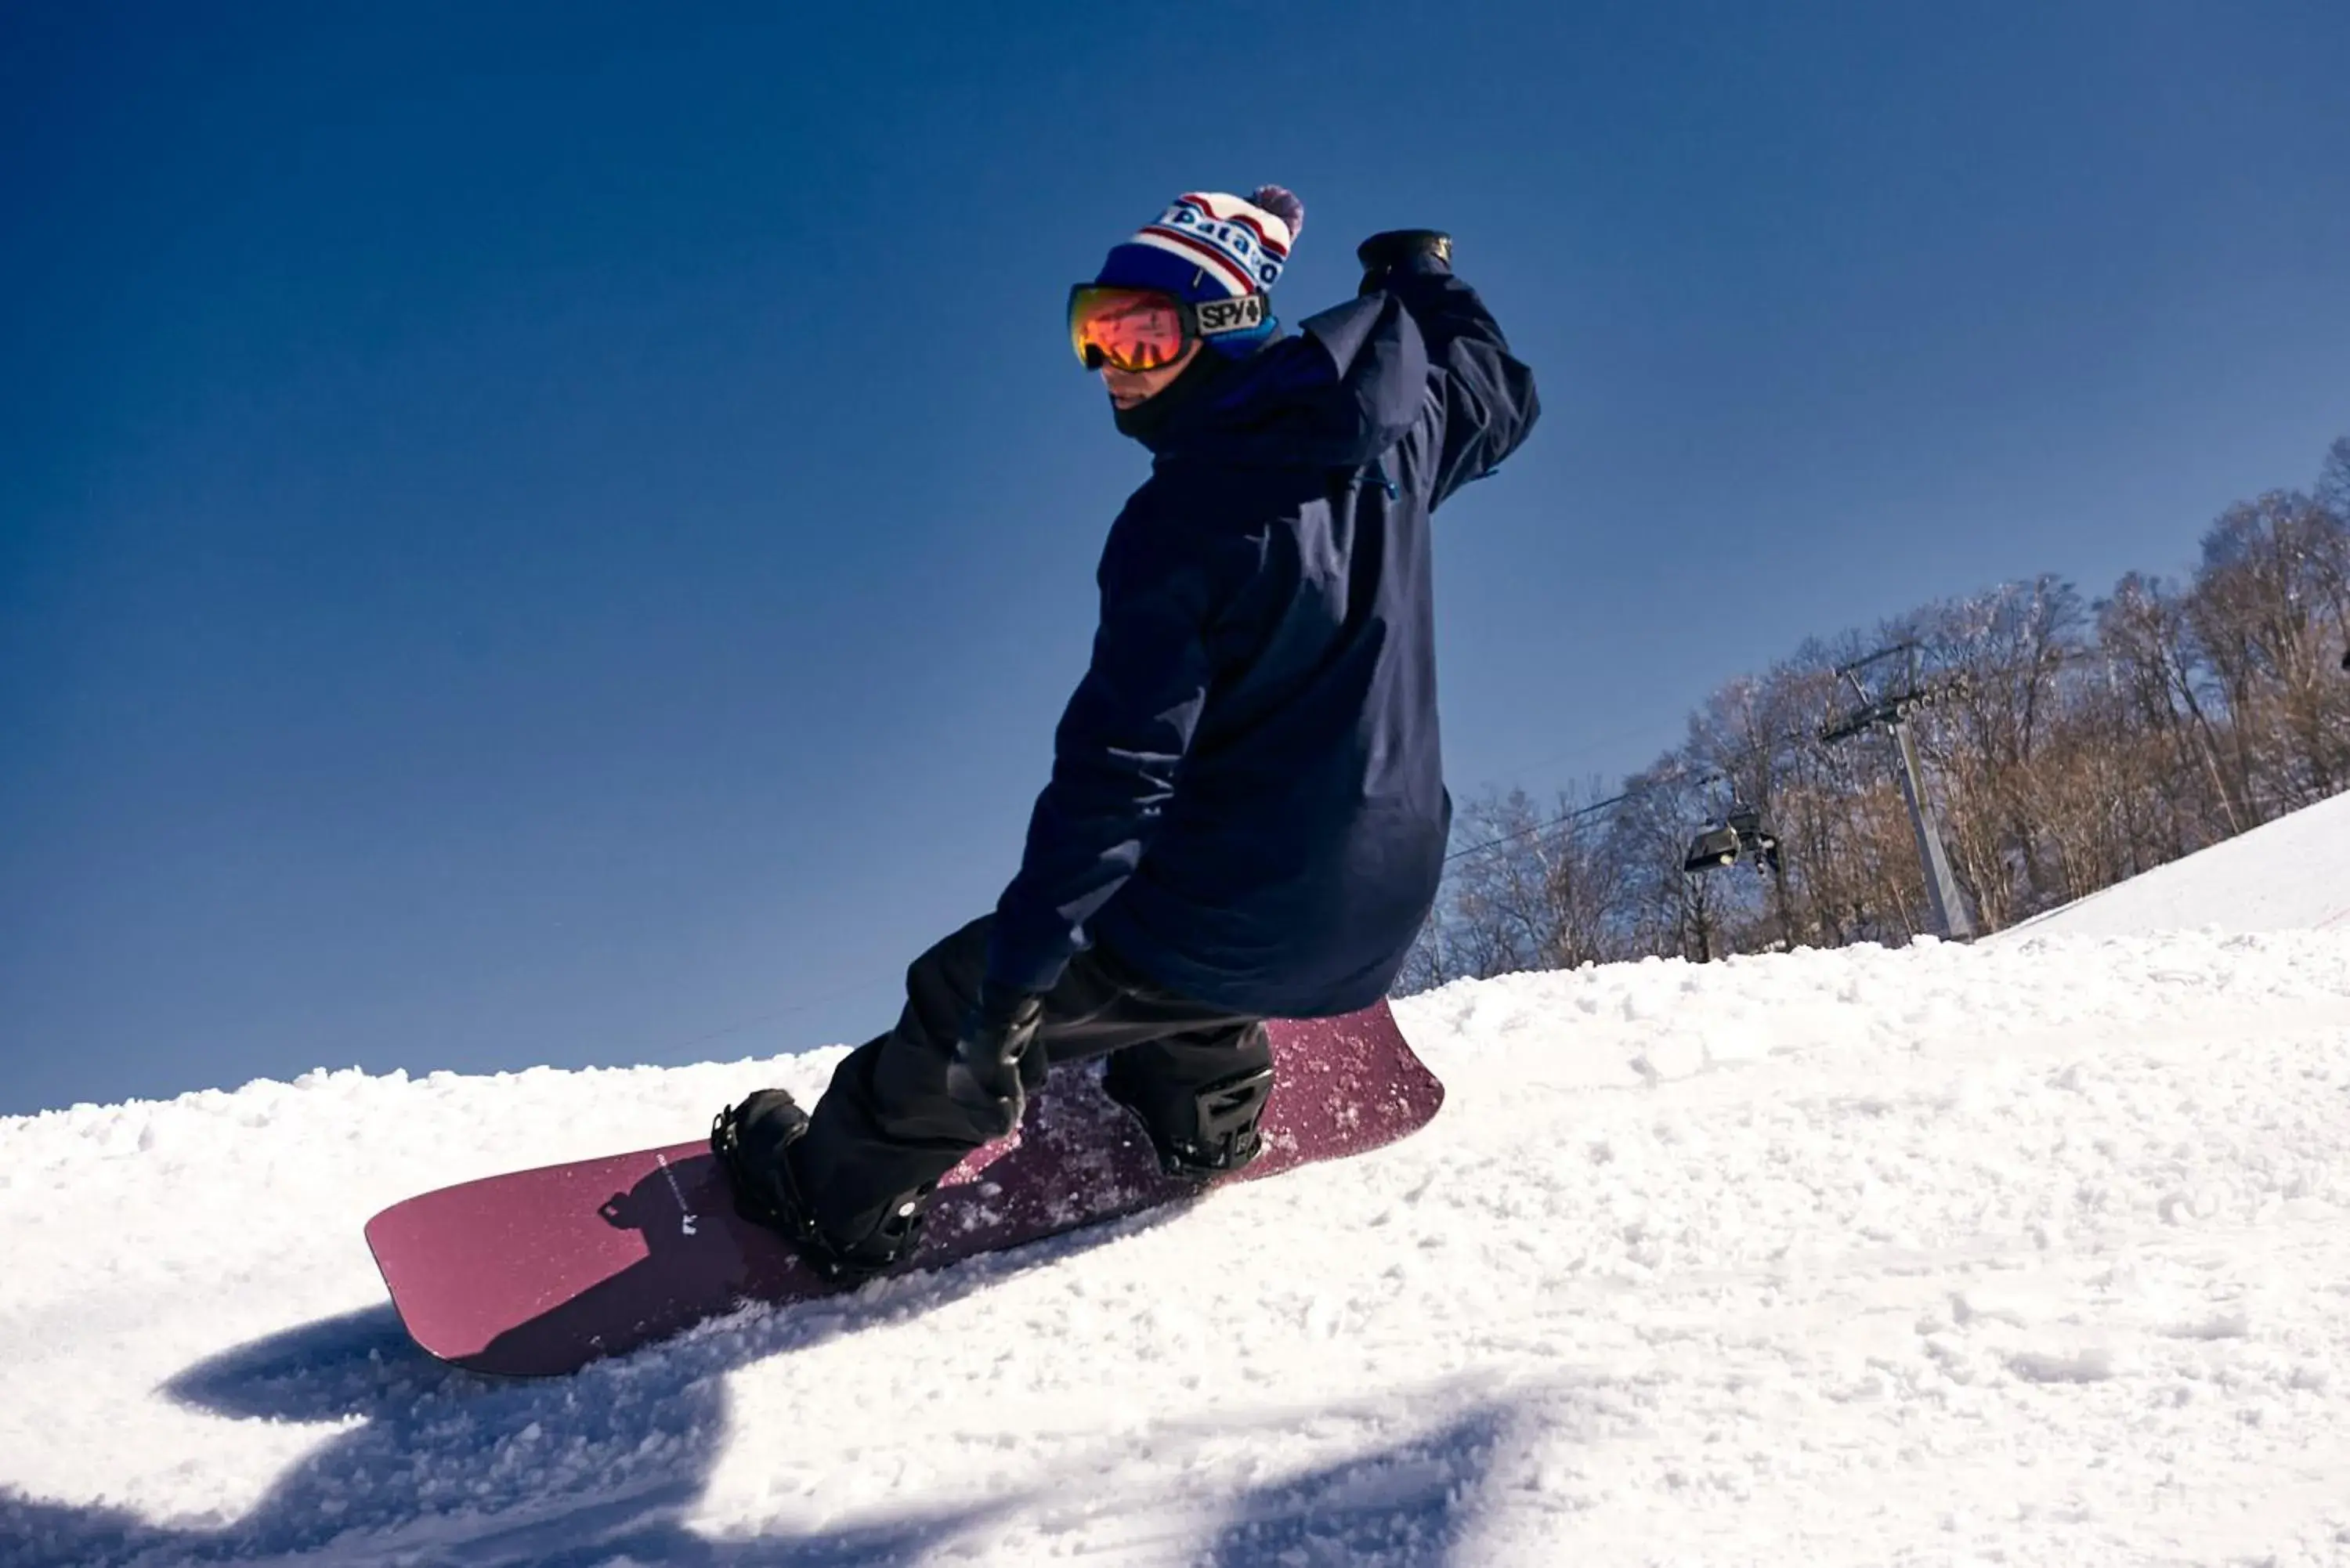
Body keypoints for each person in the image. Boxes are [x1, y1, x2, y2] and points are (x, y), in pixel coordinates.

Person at [713, 186, 1539, 1282]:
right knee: (1180, 930)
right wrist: (1418, 276)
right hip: (1383, 904)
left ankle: (835, 1196)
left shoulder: (1183, 520)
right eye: (1093, 333)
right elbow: (1500, 392)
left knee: (979, 987)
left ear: (1227, 326)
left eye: (1143, 333)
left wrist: (1007, 996)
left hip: (1244, 915)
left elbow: (1116, 779)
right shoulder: (1402, 437)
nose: (1113, 368)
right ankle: (1206, 1111)